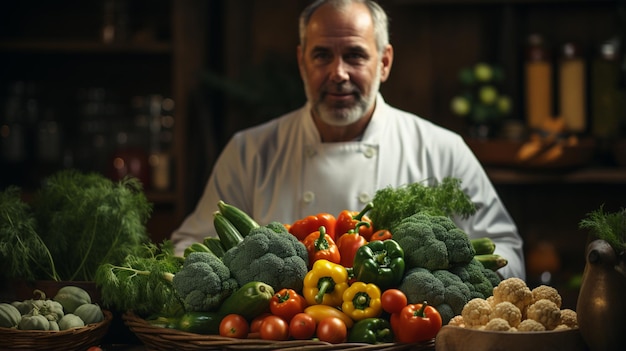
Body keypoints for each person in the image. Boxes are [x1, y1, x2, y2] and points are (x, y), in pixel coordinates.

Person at [171, 0, 525, 279]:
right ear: (301, 62)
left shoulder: (443, 149)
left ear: (384, 62)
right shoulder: (249, 151)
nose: (338, 74)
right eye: (322, 55)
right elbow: (190, 245)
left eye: (355, 55)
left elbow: (506, 251)